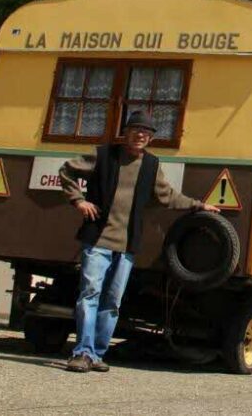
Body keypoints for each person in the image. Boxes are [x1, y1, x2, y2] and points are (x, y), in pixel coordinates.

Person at [58, 110, 220, 373]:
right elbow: (66, 171)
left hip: (127, 245)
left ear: (151, 138)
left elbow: (168, 197)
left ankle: (97, 354)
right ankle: (82, 353)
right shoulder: (103, 155)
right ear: (126, 133)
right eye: (135, 130)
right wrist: (79, 201)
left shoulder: (151, 166)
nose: (140, 135)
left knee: (112, 303)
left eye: (146, 132)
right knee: (89, 294)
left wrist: (199, 206)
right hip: (97, 239)